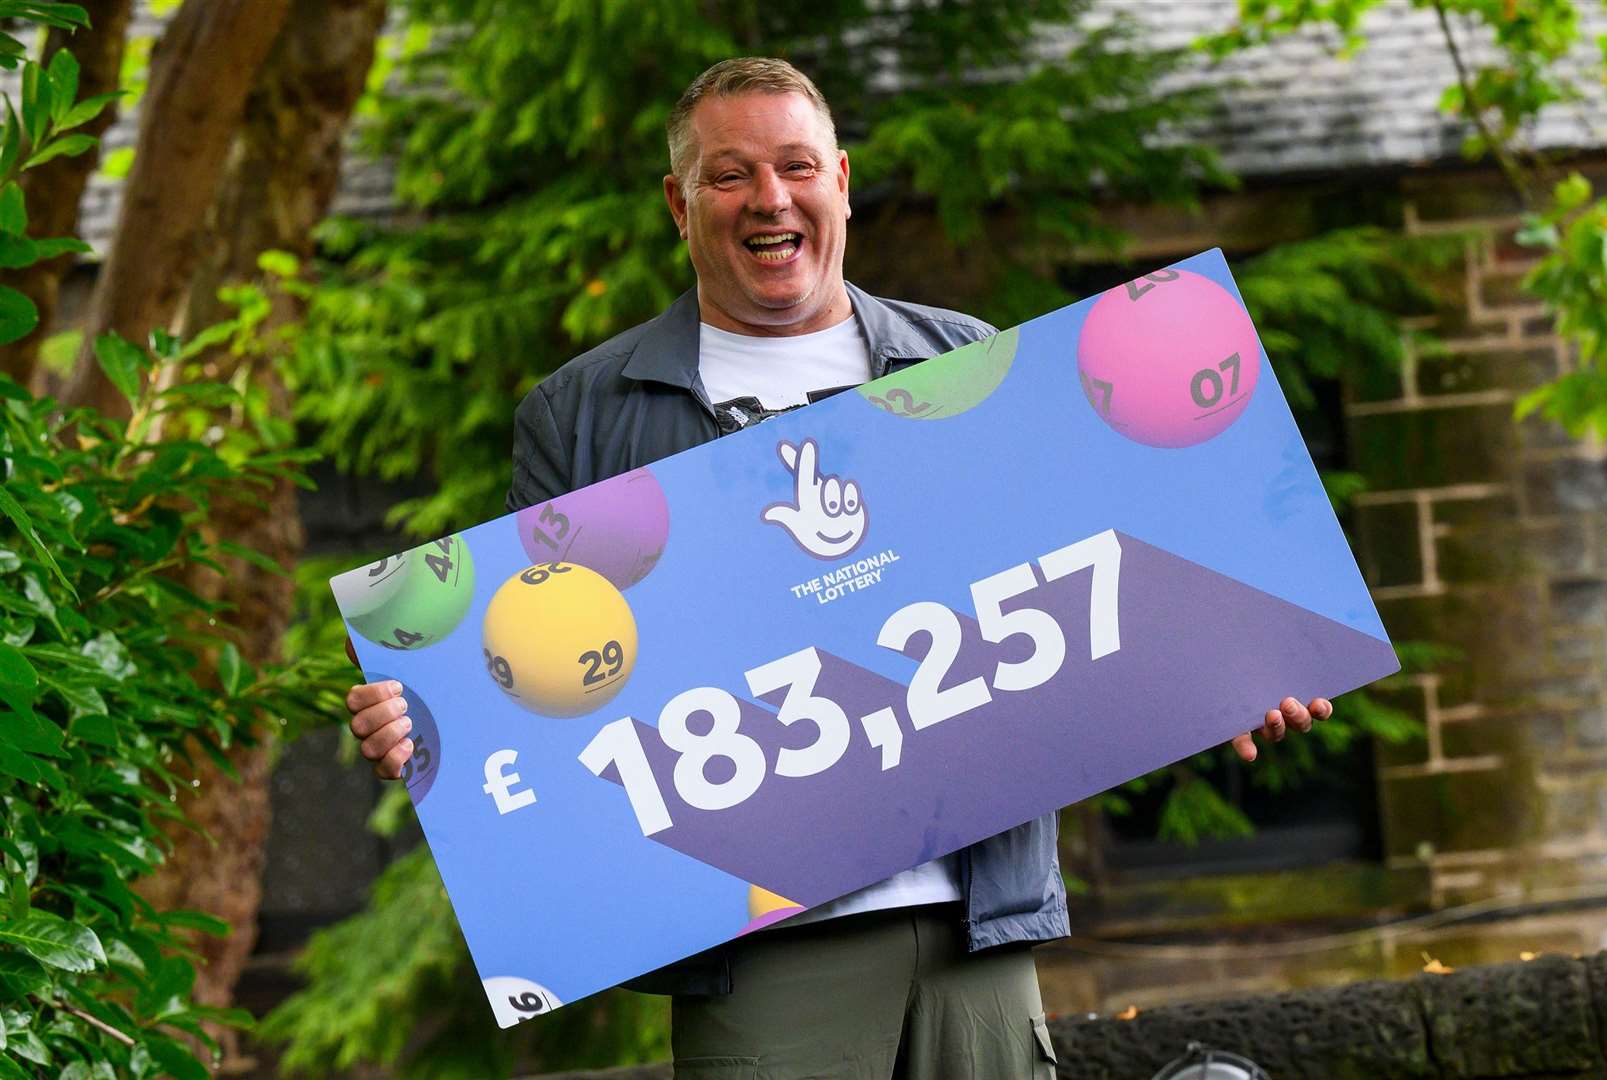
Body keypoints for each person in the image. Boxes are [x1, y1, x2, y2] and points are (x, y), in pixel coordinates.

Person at [343, 57, 1334, 1079]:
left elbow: (1084, 583)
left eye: (794, 165)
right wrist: (429, 723)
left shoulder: (970, 365)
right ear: (678, 205)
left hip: (973, 923)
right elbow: (529, 670)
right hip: (761, 949)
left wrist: (1224, 673)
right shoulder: (581, 415)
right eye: (729, 176)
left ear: (840, 182)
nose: (768, 198)